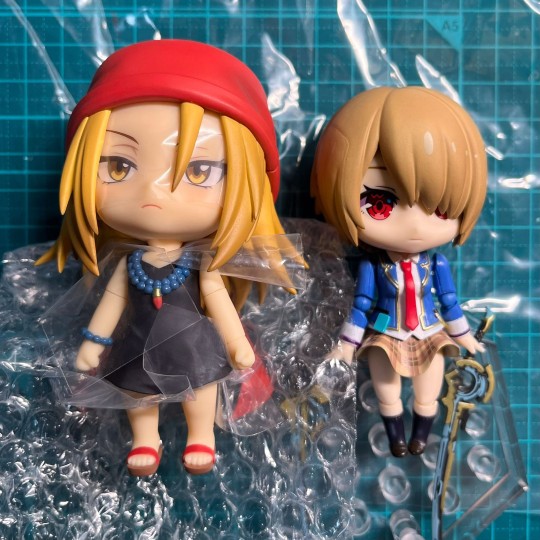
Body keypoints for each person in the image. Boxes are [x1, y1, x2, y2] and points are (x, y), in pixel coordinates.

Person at [38, 39, 294, 476]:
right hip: (137, 341)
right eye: (119, 167)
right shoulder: (129, 264)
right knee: (137, 391)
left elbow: (219, 302)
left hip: (192, 342)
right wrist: (94, 343)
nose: (152, 192)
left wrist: (237, 344)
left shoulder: (200, 265)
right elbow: (112, 303)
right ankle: (145, 439)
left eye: (199, 171)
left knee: (202, 387)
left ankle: (201, 435)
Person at [311, 87, 487, 457]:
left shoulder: (435, 264)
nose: (416, 225)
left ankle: (420, 435)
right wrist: (347, 344)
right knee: (386, 388)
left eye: (439, 208)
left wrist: (464, 336)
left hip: (428, 329)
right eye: (379, 203)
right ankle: (396, 437)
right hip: (387, 331)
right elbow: (361, 305)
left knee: (429, 386)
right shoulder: (373, 266)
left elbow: (449, 302)